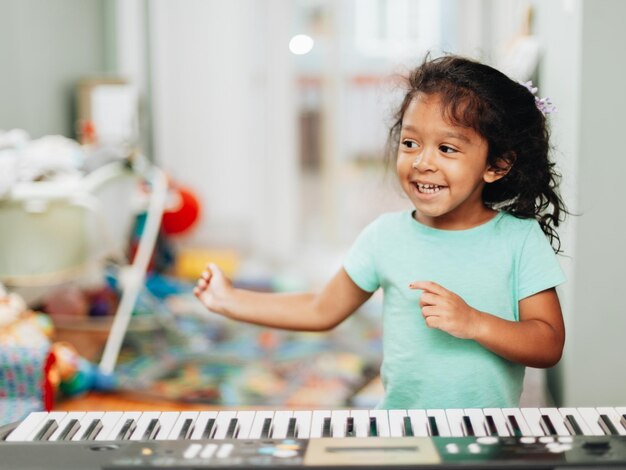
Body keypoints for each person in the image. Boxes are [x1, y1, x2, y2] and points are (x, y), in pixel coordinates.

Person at [194, 55, 567, 410]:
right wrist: (232, 300)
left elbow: (548, 344)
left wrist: (474, 322)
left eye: (447, 148)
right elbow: (321, 308)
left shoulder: (519, 239)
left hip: (487, 437)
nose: (422, 162)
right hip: (402, 433)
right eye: (410, 143)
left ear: (497, 165)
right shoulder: (384, 237)